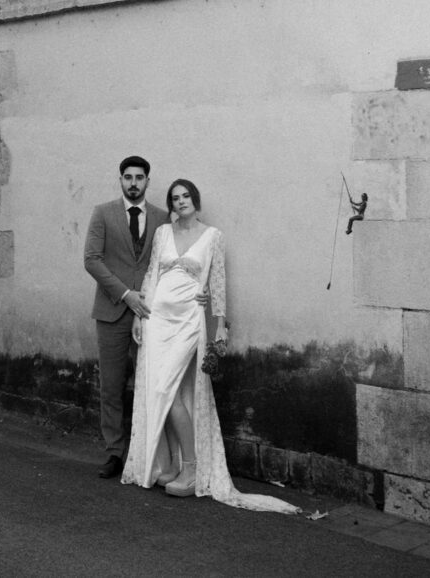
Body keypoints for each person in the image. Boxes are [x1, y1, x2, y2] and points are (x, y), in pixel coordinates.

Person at [121, 179, 300, 514]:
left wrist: (220, 328)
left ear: (195, 199)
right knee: (161, 391)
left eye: (186, 196)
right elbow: (150, 277)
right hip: (157, 318)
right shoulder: (162, 233)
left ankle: (192, 467)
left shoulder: (213, 236)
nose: (180, 202)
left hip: (189, 321)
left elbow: (217, 283)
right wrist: (139, 315)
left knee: (168, 390)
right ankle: (173, 463)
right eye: (175, 198)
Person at [83, 155, 170, 478]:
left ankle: (145, 452)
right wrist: (125, 294)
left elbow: (167, 263)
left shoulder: (163, 218)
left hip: (150, 313)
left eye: (139, 177)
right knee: (112, 386)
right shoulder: (103, 213)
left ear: (148, 181)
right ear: (120, 180)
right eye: (128, 177)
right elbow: (91, 260)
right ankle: (115, 453)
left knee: (151, 384)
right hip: (112, 311)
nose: (133, 183)